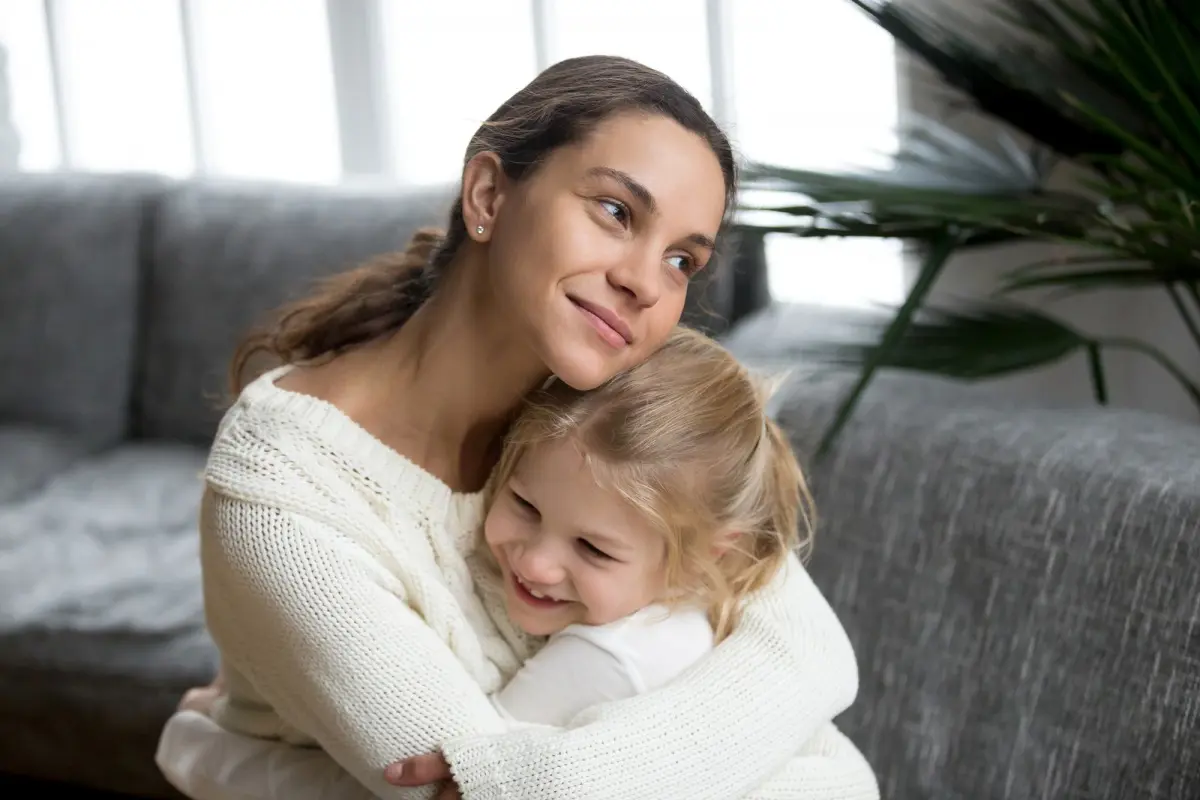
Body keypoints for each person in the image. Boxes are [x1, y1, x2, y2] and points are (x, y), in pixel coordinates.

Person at [170, 54, 872, 799]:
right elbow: (438, 790)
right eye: (615, 211)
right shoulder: (284, 497)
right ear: (488, 194)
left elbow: (813, 652)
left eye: (680, 260)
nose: (643, 280)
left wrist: (219, 762)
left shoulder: (609, 402)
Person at [157, 329, 879, 800]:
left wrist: (201, 751)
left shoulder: (605, 658)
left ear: (704, 555)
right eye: (524, 504)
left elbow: (443, 793)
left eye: (593, 549)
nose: (534, 560)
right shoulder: (710, 582)